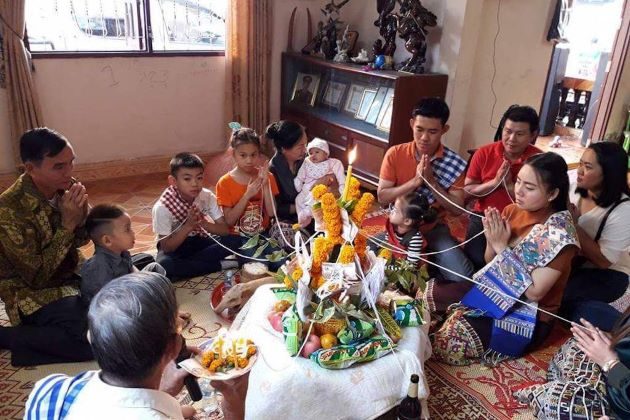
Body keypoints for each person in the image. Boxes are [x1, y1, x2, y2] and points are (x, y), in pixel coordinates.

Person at [425, 152, 579, 365]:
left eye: (530, 188)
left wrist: (500, 245)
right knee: (427, 296)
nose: (519, 191)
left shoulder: (560, 235)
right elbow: (490, 262)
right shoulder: (512, 210)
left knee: (447, 343)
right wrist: (491, 240)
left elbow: (535, 292)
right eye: (518, 182)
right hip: (497, 289)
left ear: (552, 194)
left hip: (528, 314)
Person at [24, 272, 200, 419]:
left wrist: (163, 396)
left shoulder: (49, 390)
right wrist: (229, 403)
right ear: (174, 347)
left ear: (90, 336)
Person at [0, 128, 93, 366]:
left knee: (128, 278)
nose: (69, 172)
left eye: (71, 163)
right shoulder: (9, 210)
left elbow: (83, 240)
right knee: (90, 339)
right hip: (31, 292)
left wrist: (82, 216)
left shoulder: (66, 186)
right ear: (30, 168)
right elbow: (37, 277)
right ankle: (9, 337)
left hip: (71, 275)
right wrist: (68, 225)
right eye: (59, 166)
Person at [377, 97, 473, 282]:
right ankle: (425, 263)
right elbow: (382, 197)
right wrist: (415, 182)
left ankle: (427, 261)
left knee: (462, 276)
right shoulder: (395, 154)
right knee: (365, 254)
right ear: (412, 124)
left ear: (444, 130)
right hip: (399, 228)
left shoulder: (455, 163)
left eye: (433, 131)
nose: (424, 138)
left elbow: (457, 209)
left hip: (432, 228)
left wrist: (431, 182)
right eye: (419, 129)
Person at [463, 105, 542, 270]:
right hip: (484, 216)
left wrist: (511, 186)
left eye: (520, 134)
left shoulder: (540, 161)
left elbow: (543, 201)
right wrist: (495, 183)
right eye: (508, 131)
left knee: (515, 267)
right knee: (475, 261)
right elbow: (468, 191)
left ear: (533, 135)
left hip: (522, 220)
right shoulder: (483, 153)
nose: (511, 139)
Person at [561, 142, 630, 330]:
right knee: (545, 290)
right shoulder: (573, 188)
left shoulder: (623, 210)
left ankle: (623, 328)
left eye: (588, 167)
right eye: (581, 163)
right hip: (571, 263)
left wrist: (573, 224)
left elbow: (603, 261)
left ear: (608, 173)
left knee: (561, 297)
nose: (580, 170)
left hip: (607, 275)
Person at [514, 312, 630, 419]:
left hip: (621, 402)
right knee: (576, 345)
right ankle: (576, 387)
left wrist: (610, 362)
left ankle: (575, 389)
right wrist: (606, 340)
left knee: (555, 403)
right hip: (615, 374)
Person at [152, 153, 240, 279]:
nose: (194, 184)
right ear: (173, 181)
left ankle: (191, 265)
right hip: (176, 247)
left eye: (199, 178)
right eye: (187, 179)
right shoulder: (162, 207)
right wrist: (188, 226)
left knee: (235, 239)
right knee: (165, 265)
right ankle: (220, 265)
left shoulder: (206, 196)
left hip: (199, 240)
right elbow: (167, 247)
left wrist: (202, 223)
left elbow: (224, 230)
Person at [216, 128, 284, 269]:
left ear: (259, 154)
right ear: (233, 154)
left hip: (262, 233)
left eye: (253, 155)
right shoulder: (224, 183)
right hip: (237, 237)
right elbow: (229, 221)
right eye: (243, 155)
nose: (249, 160)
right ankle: (236, 259)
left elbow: (271, 213)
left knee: (282, 263)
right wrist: (247, 195)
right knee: (260, 267)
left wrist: (265, 184)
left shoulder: (267, 176)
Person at [80, 204, 167, 304]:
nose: (133, 233)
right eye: (127, 230)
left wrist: (143, 280)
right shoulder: (99, 266)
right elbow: (106, 302)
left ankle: (159, 299)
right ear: (107, 240)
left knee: (155, 267)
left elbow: (132, 269)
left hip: (127, 288)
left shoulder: (123, 252)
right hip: (113, 307)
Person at [294, 137, 345, 226]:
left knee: (315, 200)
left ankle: (308, 212)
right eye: (310, 153)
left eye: (317, 152)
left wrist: (342, 186)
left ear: (326, 154)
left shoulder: (332, 163)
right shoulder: (307, 162)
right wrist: (298, 180)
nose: (313, 155)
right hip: (306, 188)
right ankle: (303, 221)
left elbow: (340, 175)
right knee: (298, 199)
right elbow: (301, 173)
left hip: (321, 189)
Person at [385, 192, 437, 266]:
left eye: (395, 210)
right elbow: (387, 243)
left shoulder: (415, 239)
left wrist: (389, 268)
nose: (391, 211)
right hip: (393, 259)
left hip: (405, 270)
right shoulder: (392, 226)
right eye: (393, 207)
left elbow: (411, 266)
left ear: (407, 221)